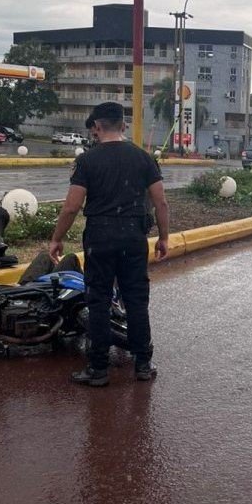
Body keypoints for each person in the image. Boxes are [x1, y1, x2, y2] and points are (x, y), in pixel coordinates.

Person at [49, 101, 170, 387]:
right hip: (133, 236)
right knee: (136, 300)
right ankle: (143, 364)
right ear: (123, 126)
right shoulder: (144, 158)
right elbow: (160, 201)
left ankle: (98, 368)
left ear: (98, 127)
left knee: (99, 301)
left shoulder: (88, 161)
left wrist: (56, 238)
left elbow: (71, 207)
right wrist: (163, 237)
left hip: (100, 237)